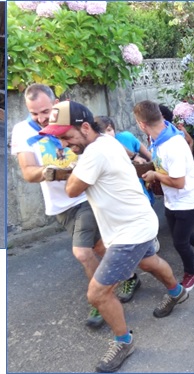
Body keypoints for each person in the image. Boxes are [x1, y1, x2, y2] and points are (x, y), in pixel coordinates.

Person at [40, 100, 187, 373]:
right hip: (141, 222)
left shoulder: (93, 154)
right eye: (59, 138)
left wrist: (66, 170)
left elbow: (72, 190)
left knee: (97, 294)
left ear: (85, 127)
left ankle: (124, 341)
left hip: (128, 233)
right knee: (148, 261)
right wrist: (74, 163)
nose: (64, 144)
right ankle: (177, 292)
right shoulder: (108, 142)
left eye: (67, 136)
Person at [9, 84, 142, 329]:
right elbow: (28, 173)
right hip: (60, 204)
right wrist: (57, 173)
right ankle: (133, 273)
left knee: (82, 252)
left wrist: (135, 158)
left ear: (56, 102)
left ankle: (101, 300)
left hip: (85, 197)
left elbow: (101, 141)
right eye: (34, 113)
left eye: (45, 111)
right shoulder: (21, 131)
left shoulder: (71, 118)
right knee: (100, 245)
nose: (40, 118)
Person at [135, 100, 194, 293]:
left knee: (180, 241)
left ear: (141, 124)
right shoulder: (158, 137)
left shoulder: (173, 145)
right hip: (173, 199)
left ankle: (191, 274)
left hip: (189, 199)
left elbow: (179, 182)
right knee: (180, 234)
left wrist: (155, 176)